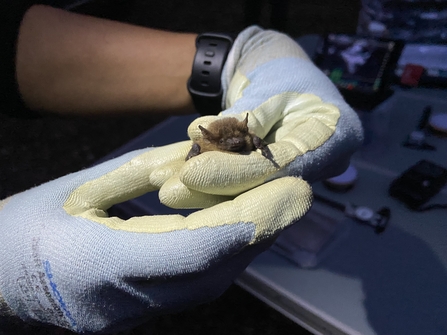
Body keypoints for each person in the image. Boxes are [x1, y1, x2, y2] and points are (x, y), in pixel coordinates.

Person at [0, 4, 363, 334]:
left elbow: (25, 40)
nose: (238, 145)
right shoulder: (207, 143)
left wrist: (249, 56)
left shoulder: (240, 134)